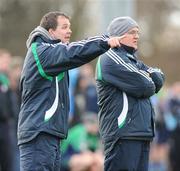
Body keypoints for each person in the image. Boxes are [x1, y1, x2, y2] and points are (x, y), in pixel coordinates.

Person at [17, 11, 125, 171]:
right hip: (39, 134)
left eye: (70, 27)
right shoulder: (40, 51)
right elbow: (73, 52)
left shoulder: (53, 54)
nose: (70, 31)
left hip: (51, 135)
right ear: (51, 31)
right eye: (64, 27)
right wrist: (105, 40)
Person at [95, 16, 165, 171]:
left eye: (137, 32)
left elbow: (159, 78)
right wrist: (147, 76)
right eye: (132, 32)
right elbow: (145, 86)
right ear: (119, 34)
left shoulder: (132, 60)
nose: (137, 36)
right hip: (123, 135)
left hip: (141, 133)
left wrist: (147, 76)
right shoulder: (110, 57)